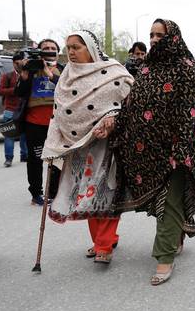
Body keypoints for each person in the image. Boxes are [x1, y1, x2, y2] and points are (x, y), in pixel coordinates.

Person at [110, 18, 195, 285]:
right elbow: (131, 103)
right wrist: (115, 124)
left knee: (170, 200)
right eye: (151, 34)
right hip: (146, 149)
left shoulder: (184, 68)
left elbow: (189, 111)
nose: (153, 39)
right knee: (159, 201)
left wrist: (182, 149)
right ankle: (178, 232)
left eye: (159, 35)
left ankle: (164, 257)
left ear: (172, 37)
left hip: (174, 148)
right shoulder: (146, 68)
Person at [41, 30, 133, 264]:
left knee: (106, 191)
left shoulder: (114, 73)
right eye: (68, 47)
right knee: (86, 193)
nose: (71, 51)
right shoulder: (66, 77)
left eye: (77, 46)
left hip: (108, 144)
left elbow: (131, 104)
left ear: (91, 48)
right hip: (78, 145)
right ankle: (102, 241)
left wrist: (113, 118)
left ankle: (104, 244)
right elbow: (58, 112)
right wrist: (53, 144)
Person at [15, 38, 63, 205]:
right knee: (35, 159)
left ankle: (54, 193)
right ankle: (36, 194)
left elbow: (70, 92)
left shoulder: (64, 70)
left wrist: (52, 76)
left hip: (57, 123)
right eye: (46, 48)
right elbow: (19, 93)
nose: (49, 50)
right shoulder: (32, 68)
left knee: (57, 160)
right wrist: (24, 75)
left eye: (52, 48)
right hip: (33, 123)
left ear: (58, 52)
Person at [0, 51, 28, 167]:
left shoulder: (28, 75)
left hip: (24, 110)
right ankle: (8, 159)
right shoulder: (8, 76)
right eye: (16, 63)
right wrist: (15, 90)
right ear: (13, 63)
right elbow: (0, 91)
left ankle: (24, 156)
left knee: (24, 135)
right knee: (9, 135)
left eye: (20, 63)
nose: (18, 65)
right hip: (10, 110)